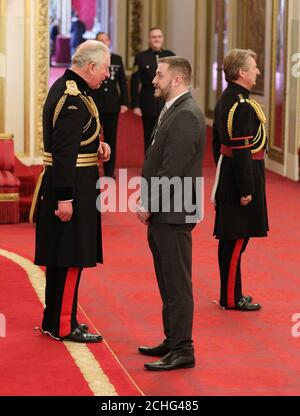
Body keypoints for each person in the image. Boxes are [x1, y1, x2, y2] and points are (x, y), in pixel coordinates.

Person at [33, 40, 111, 342]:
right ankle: (64, 324)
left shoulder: (72, 90)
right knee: (70, 257)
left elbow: (76, 141)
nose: (106, 74)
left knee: (60, 257)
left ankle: (54, 319)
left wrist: (97, 147)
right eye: (104, 69)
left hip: (73, 181)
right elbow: (64, 152)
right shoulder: (73, 99)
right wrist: (65, 197)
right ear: (90, 66)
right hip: (72, 187)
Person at [136, 57, 206, 371]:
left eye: (160, 75)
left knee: (177, 283)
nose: (154, 80)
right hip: (166, 211)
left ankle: (183, 349)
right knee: (167, 281)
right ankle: (172, 339)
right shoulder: (174, 109)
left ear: (176, 79)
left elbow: (172, 168)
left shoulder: (187, 114)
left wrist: (150, 203)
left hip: (174, 212)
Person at [212, 48, 269, 311]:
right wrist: (247, 188)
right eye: (254, 67)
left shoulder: (227, 98)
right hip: (242, 176)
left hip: (230, 173)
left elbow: (216, 143)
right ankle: (231, 297)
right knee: (236, 240)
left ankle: (232, 293)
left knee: (233, 240)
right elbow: (243, 150)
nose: (257, 71)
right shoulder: (242, 105)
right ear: (242, 73)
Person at [131, 28, 175, 152]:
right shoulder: (141, 57)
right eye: (154, 37)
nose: (157, 39)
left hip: (167, 102)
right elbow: (135, 83)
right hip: (148, 102)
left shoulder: (171, 56)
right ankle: (149, 167)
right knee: (149, 136)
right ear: (149, 39)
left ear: (163, 39)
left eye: (159, 37)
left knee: (167, 136)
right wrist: (135, 105)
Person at [92, 32, 129, 178]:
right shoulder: (92, 59)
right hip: (94, 104)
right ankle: (92, 168)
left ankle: (109, 170)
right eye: (100, 40)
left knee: (111, 138)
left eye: (105, 40)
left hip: (112, 105)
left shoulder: (117, 59)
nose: (103, 42)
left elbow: (122, 83)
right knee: (93, 137)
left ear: (109, 42)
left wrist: (125, 102)